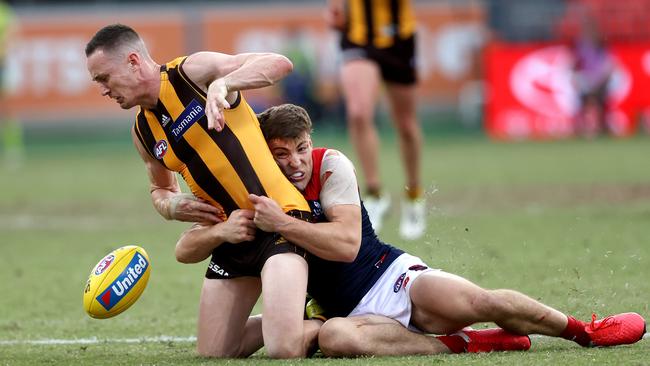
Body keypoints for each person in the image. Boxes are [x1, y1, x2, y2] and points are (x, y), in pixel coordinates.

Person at [175, 103, 646, 357]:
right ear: (264, 155)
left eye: (301, 148)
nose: (295, 162)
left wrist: (280, 224)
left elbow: (345, 247)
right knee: (336, 338)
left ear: (312, 143)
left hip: (391, 279)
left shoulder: (332, 165)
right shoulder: (253, 189)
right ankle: (464, 343)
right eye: (281, 154)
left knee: (483, 302)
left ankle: (584, 331)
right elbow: (185, 248)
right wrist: (219, 232)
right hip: (345, 317)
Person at [85, 24, 322, 359]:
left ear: (134, 62)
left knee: (283, 348)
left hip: (279, 221)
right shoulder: (142, 131)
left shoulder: (190, 73)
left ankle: (324, 321)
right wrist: (172, 205)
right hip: (232, 236)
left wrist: (226, 83)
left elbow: (279, 63)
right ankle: (294, 315)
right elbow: (160, 190)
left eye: (104, 78)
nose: (103, 91)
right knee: (214, 354)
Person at [325, 0, 425, 239]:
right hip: (358, 37)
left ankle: (413, 196)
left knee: (406, 125)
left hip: (398, 38)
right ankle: (374, 193)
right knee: (358, 113)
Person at [0, 0, 22, 167]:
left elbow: (10, 38)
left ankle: (13, 150)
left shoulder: (5, 12)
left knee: (8, 109)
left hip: (4, 64)